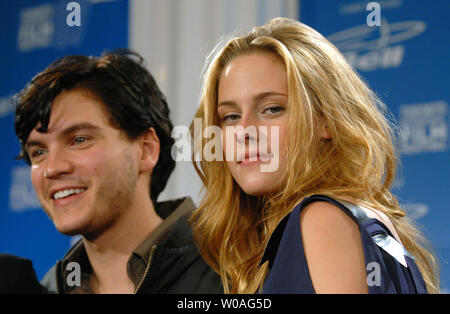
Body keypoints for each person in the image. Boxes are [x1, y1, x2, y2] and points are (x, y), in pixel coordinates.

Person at [190, 17, 439, 294]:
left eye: (272, 109)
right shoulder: (351, 218)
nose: (244, 131)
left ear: (326, 121)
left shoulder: (321, 219)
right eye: (231, 116)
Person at [14, 50, 222, 294]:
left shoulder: (235, 265)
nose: (53, 168)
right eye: (38, 152)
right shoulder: (46, 290)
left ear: (146, 150)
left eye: (79, 139)